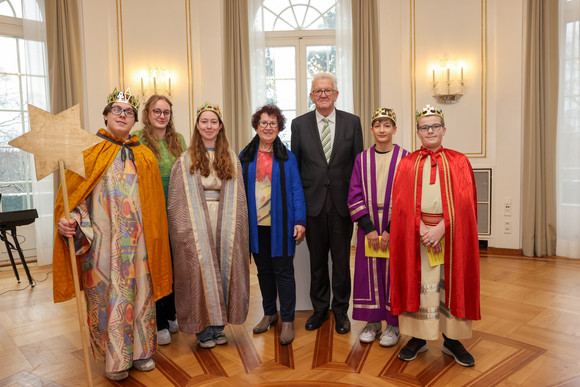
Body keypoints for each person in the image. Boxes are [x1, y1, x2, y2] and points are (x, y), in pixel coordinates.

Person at [53, 88, 173, 381]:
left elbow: (155, 205)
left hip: (140, 244)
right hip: (102, 246)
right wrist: (70, 221)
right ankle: (115, 359)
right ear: (105, 115)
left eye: (128, 111)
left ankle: (143, 351)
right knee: (107, 298)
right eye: (117, 110)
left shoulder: (143, 154)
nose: (122, 115)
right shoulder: (89, 152)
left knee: (142, 295)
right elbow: (74, 199)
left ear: (134, 120)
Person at [390, 104, 481, 367]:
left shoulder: (459, 161)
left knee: (448, 286)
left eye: (435, 126)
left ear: (443, 129)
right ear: (417, 132)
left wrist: (443, 227)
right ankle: (418, 337)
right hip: (417, 237)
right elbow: (401, 202)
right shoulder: (407, 163)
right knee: (421, 286)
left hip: (449, 236)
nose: (430, 131)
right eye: (424, 127)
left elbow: (466, 203)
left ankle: (451, 339)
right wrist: (419, 228)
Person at [167, 102, 250, 349]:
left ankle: (218, 326)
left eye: (214, 121)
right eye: (204, 121)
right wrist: (183, 231)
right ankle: (202, 328)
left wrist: (238, 229)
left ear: (220, 126)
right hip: (195, 223)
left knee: (224, 270)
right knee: (199, 272)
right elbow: (176, 200)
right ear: (197, 125)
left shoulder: (231, 158)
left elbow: (240, 198)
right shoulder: (185, 159)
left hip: (225, 221)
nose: (209, 126)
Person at [291, 72, 363, 334]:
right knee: (318, 262)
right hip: (313, 205)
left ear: (336, 94)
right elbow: (296, 169)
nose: (323, 95)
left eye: (328, 90)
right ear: (311, 95)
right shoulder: (299, 125)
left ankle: (341, 311)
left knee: (342, 262)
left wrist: (358, 205)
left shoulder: (352, 123)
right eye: (318, 91)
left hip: (343, 206)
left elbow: (359, 167)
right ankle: (320, 309)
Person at [239, 104, 306, 345]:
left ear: (279, 128)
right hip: (255, 228)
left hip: (281, 226)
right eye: (263, 123)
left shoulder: (288, 157)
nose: (268, 127)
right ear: (256, 126)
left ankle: (287, 320)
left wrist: (300, 221)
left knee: (284, 273)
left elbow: (297, 190)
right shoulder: (244, 157)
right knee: (264, 273)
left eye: (273, 123)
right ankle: (270, 314)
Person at [347, 108, 409, 346]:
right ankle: (372, 322)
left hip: (395, 227)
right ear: (371, 130)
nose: (382, 130)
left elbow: (407, 197)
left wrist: (390, 229)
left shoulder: (406, 158)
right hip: (369, 228)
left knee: (395, 273)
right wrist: (369, 228)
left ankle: (394, 324)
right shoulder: (361, 159)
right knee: (368, 274)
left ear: (394, 129)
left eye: (387, 125)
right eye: (378, 125)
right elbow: (354, 194)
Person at [133, 94, 187, 346]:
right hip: (151, 212)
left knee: (176, 263)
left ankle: (172, 311)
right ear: (147, 114)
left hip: (176, 211)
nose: (161, 116)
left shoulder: (179, 140)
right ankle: (159, 320)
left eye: (166, 112)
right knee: (157, 265)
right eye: (157, 111)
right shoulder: (138, 141)